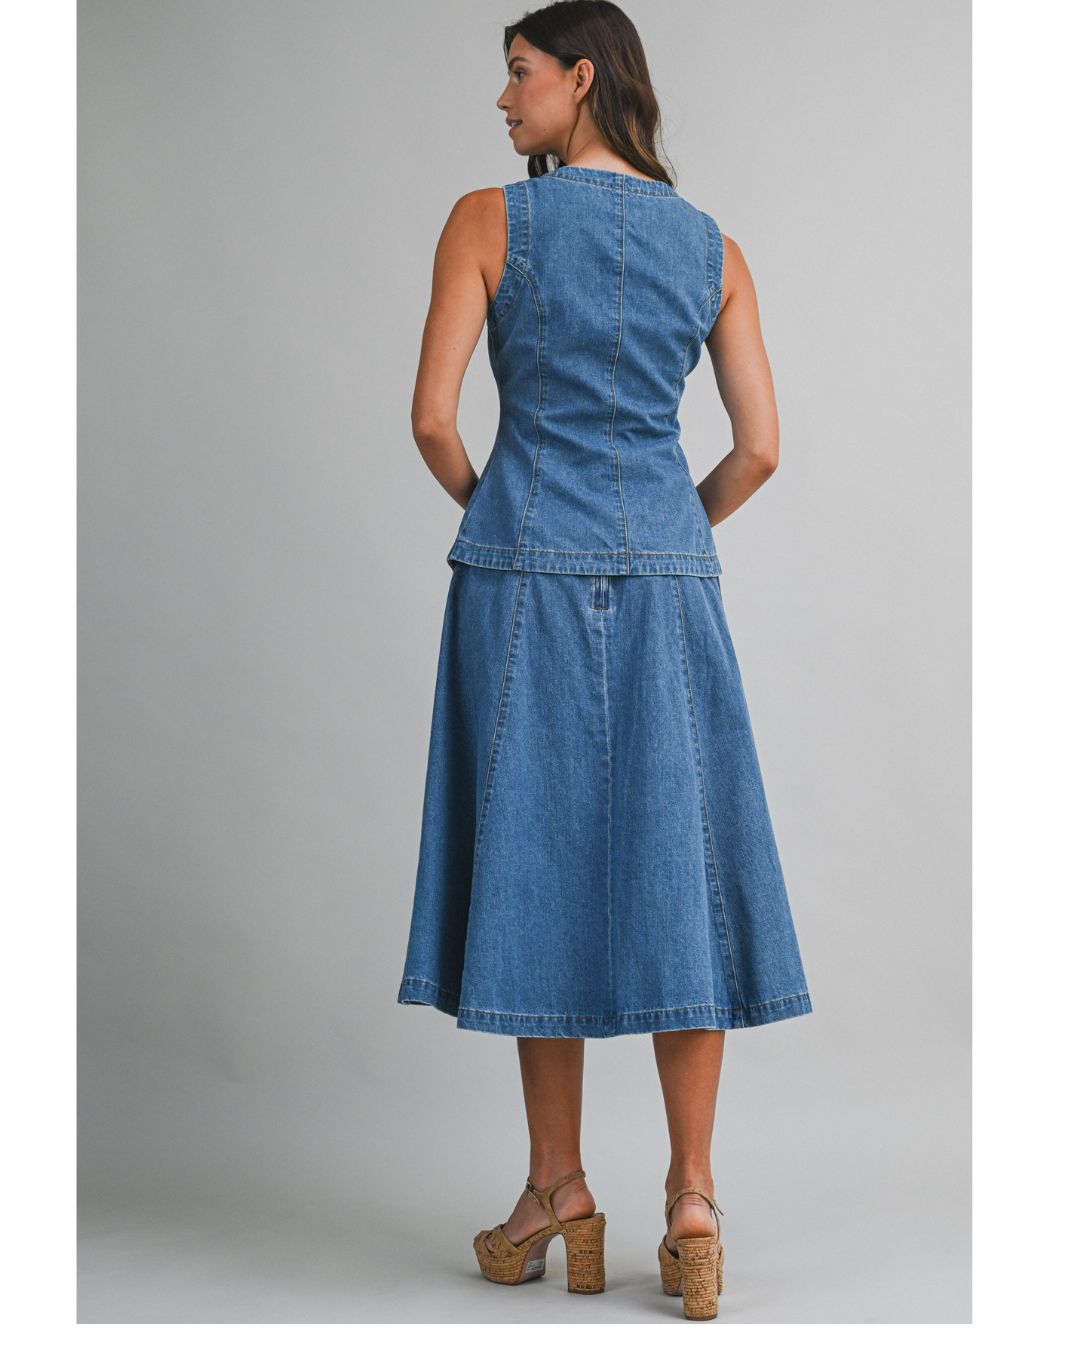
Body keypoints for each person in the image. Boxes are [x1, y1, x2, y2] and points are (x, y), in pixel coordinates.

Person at [395, 0, 813, 1321]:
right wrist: (670, 528)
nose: (502, 99)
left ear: (581, 78)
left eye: (518, 73)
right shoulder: (715, 249)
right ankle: (692, 1201)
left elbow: (432, 421)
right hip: (670, 580)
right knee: (682, 863)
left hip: (519, 571)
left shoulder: (487, 222)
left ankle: (559, 1187)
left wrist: (508, 515)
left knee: (534, 858)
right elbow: (759, 447)